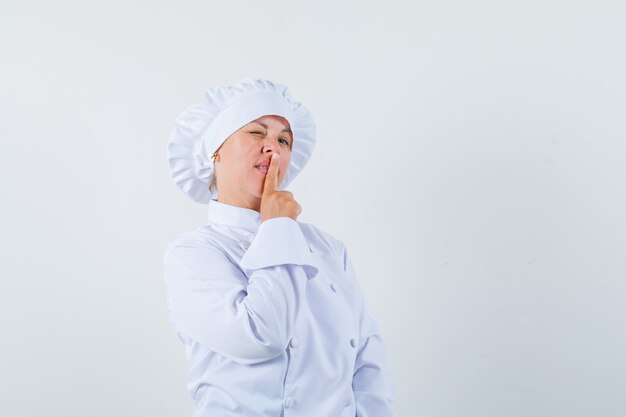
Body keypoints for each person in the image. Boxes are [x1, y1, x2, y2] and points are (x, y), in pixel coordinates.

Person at [163, 78, 397, 417]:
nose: (273, 148)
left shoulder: (328, 249)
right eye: (257, 133)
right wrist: (277, 226)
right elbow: (261, 336)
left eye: (284, 140)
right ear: (215, 151)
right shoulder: (192, 255)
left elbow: (367, 359)